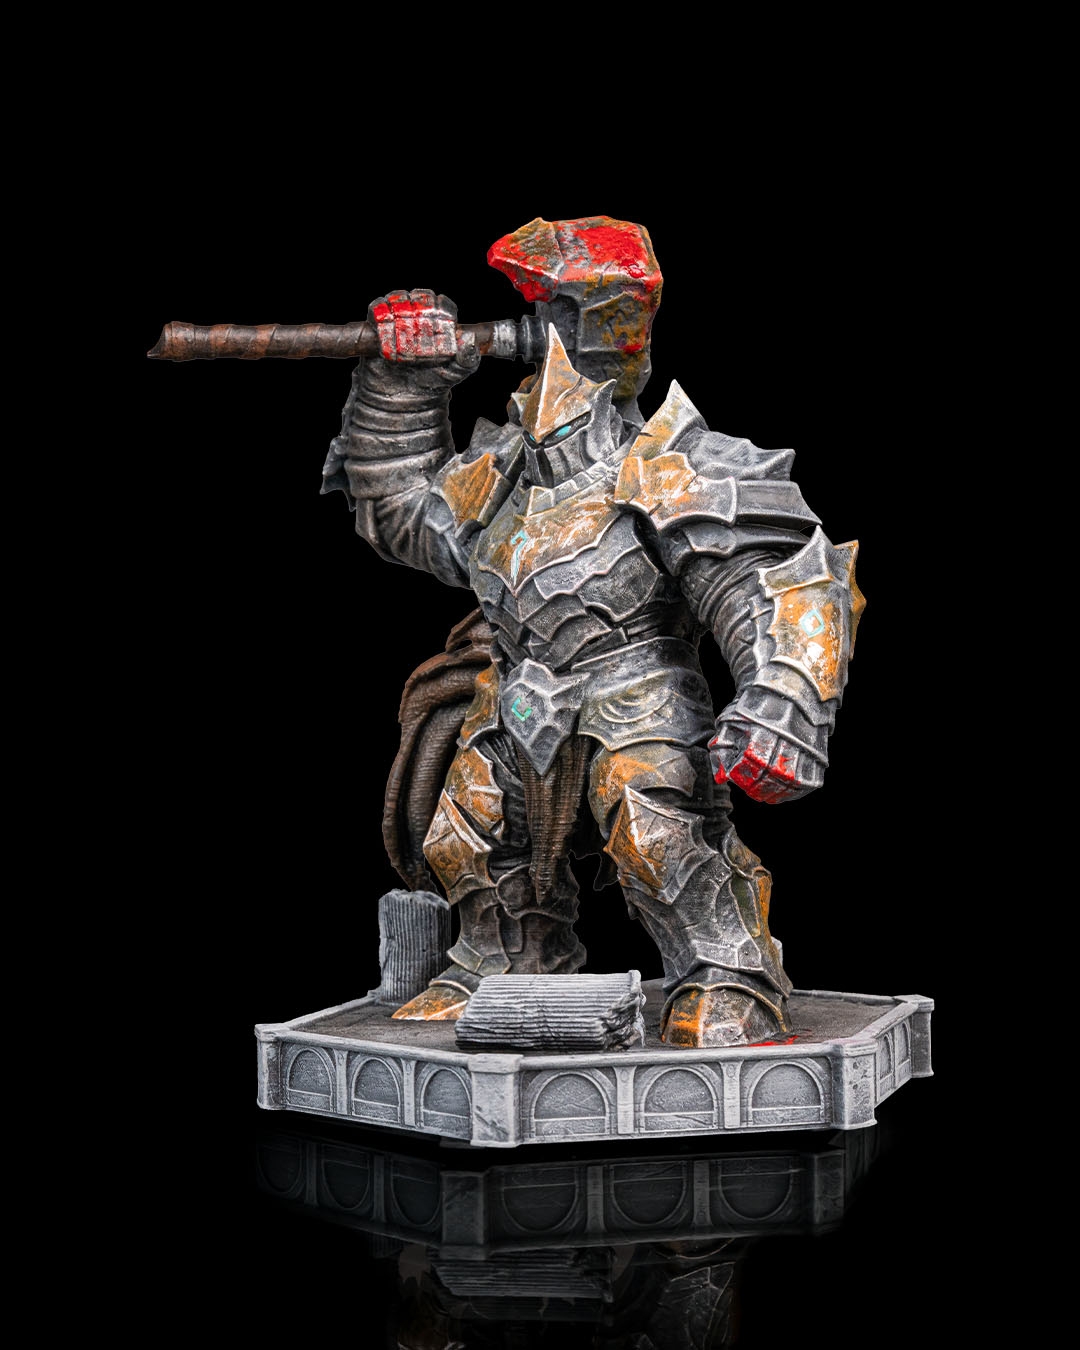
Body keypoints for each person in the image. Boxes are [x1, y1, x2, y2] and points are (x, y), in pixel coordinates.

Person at [321, 223, 862, 1048]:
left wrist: (781, 704)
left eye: (557, 310)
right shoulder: (500, 476)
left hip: (638, 688)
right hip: (520, 692)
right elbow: (400, 513)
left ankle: (729, 972)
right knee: (468, 828)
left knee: (653, 829)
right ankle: (507, 962)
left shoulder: (669, 463)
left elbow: (773, 580)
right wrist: (402, 387)